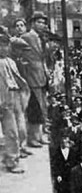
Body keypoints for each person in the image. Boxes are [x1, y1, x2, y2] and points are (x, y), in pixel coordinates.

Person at [0, 30, 30, 173]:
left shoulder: (10, 61)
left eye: (6, 46)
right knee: (10, 132)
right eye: (1, 46)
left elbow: (19, 80)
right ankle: (11, 160)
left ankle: (13, 156)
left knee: (18, 129)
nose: (3, 49)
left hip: (14, 97)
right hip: (3, 100)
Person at [20, 11, 50, 147]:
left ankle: (40, 135)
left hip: (41, 76)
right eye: (39, 22)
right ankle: (32, 138)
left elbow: (43, 58)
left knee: (42, 107)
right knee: (34, 108)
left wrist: (46, 71)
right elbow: (18, 55)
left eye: (44, 22)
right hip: (31, 77)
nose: (42, 25)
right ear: (33, 23)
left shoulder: (41, 38)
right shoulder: (26, 37)